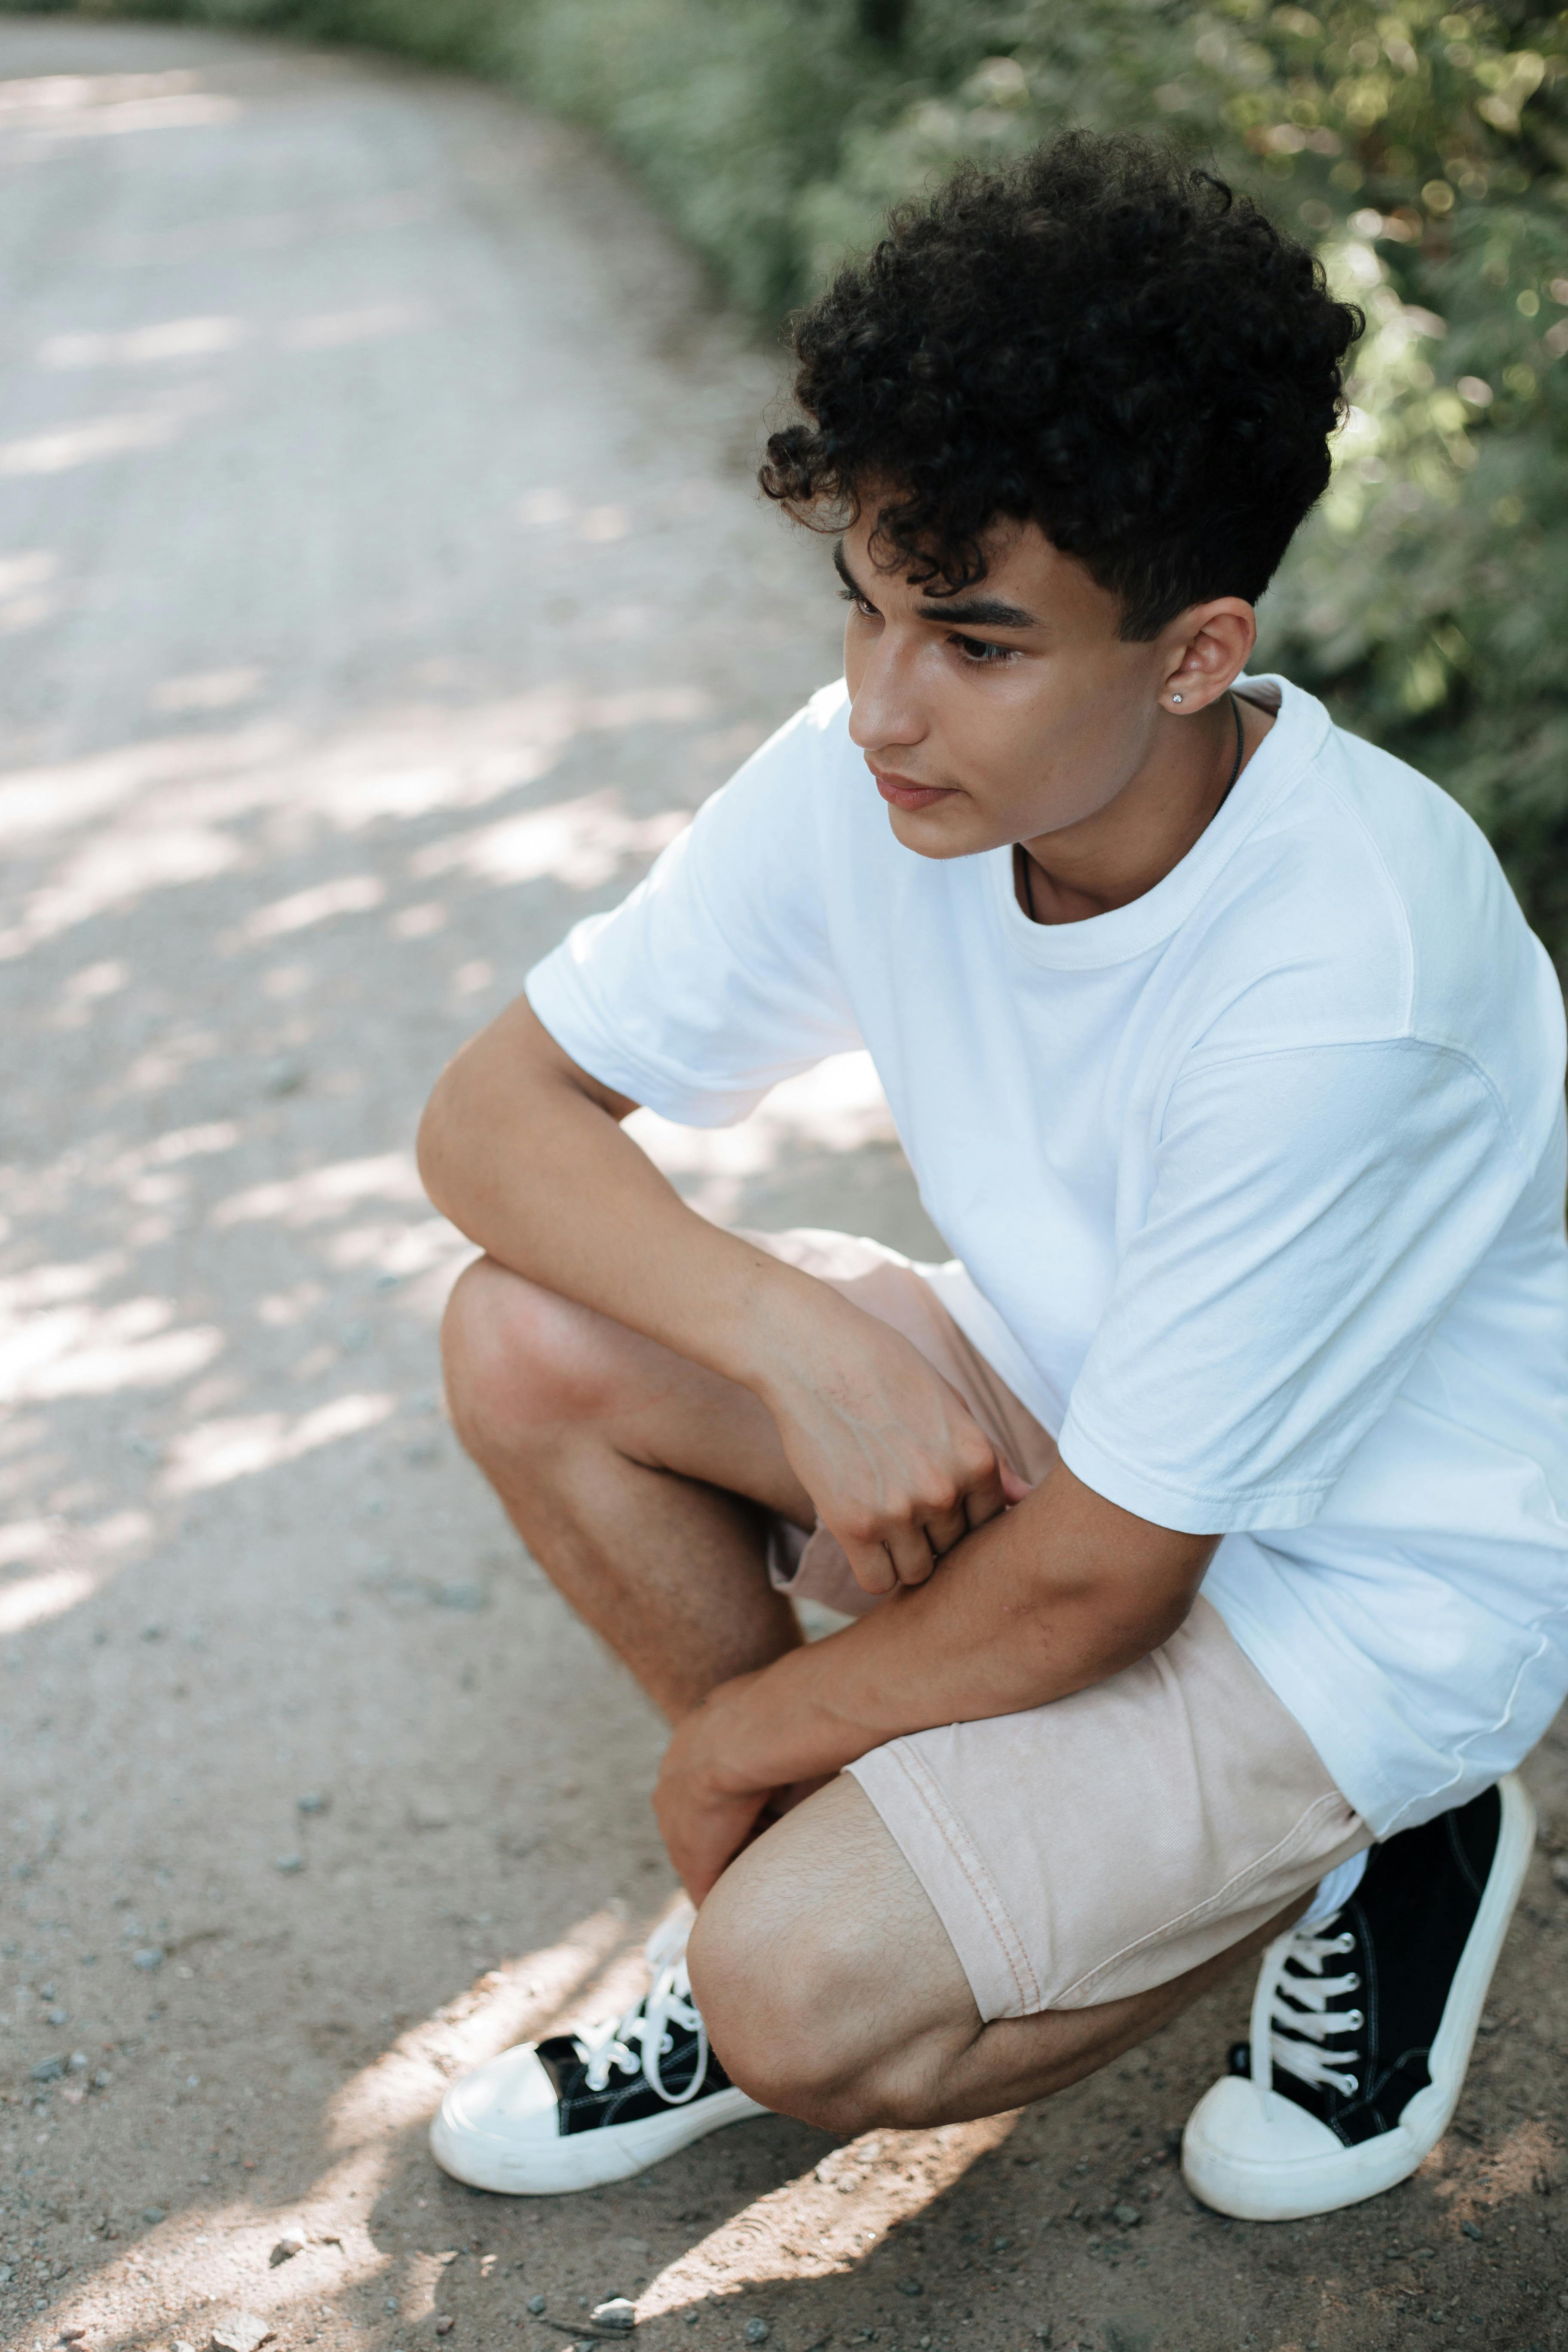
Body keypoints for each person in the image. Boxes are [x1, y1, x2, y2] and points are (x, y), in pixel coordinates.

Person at [415, 131, 1566, 2222]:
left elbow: (1116, 1581)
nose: (877, 705)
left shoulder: (1348, 977)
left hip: (1351, 1587)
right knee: (527, 1332)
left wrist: (735, 1753)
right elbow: (488, 1126)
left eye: (973, 639)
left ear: (1200, 654)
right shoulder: (881, 770)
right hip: (1090, 1422)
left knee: (793, 2005)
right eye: (860, 603)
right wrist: (795, 1337)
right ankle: (901, 1839)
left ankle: (1392, 1838)